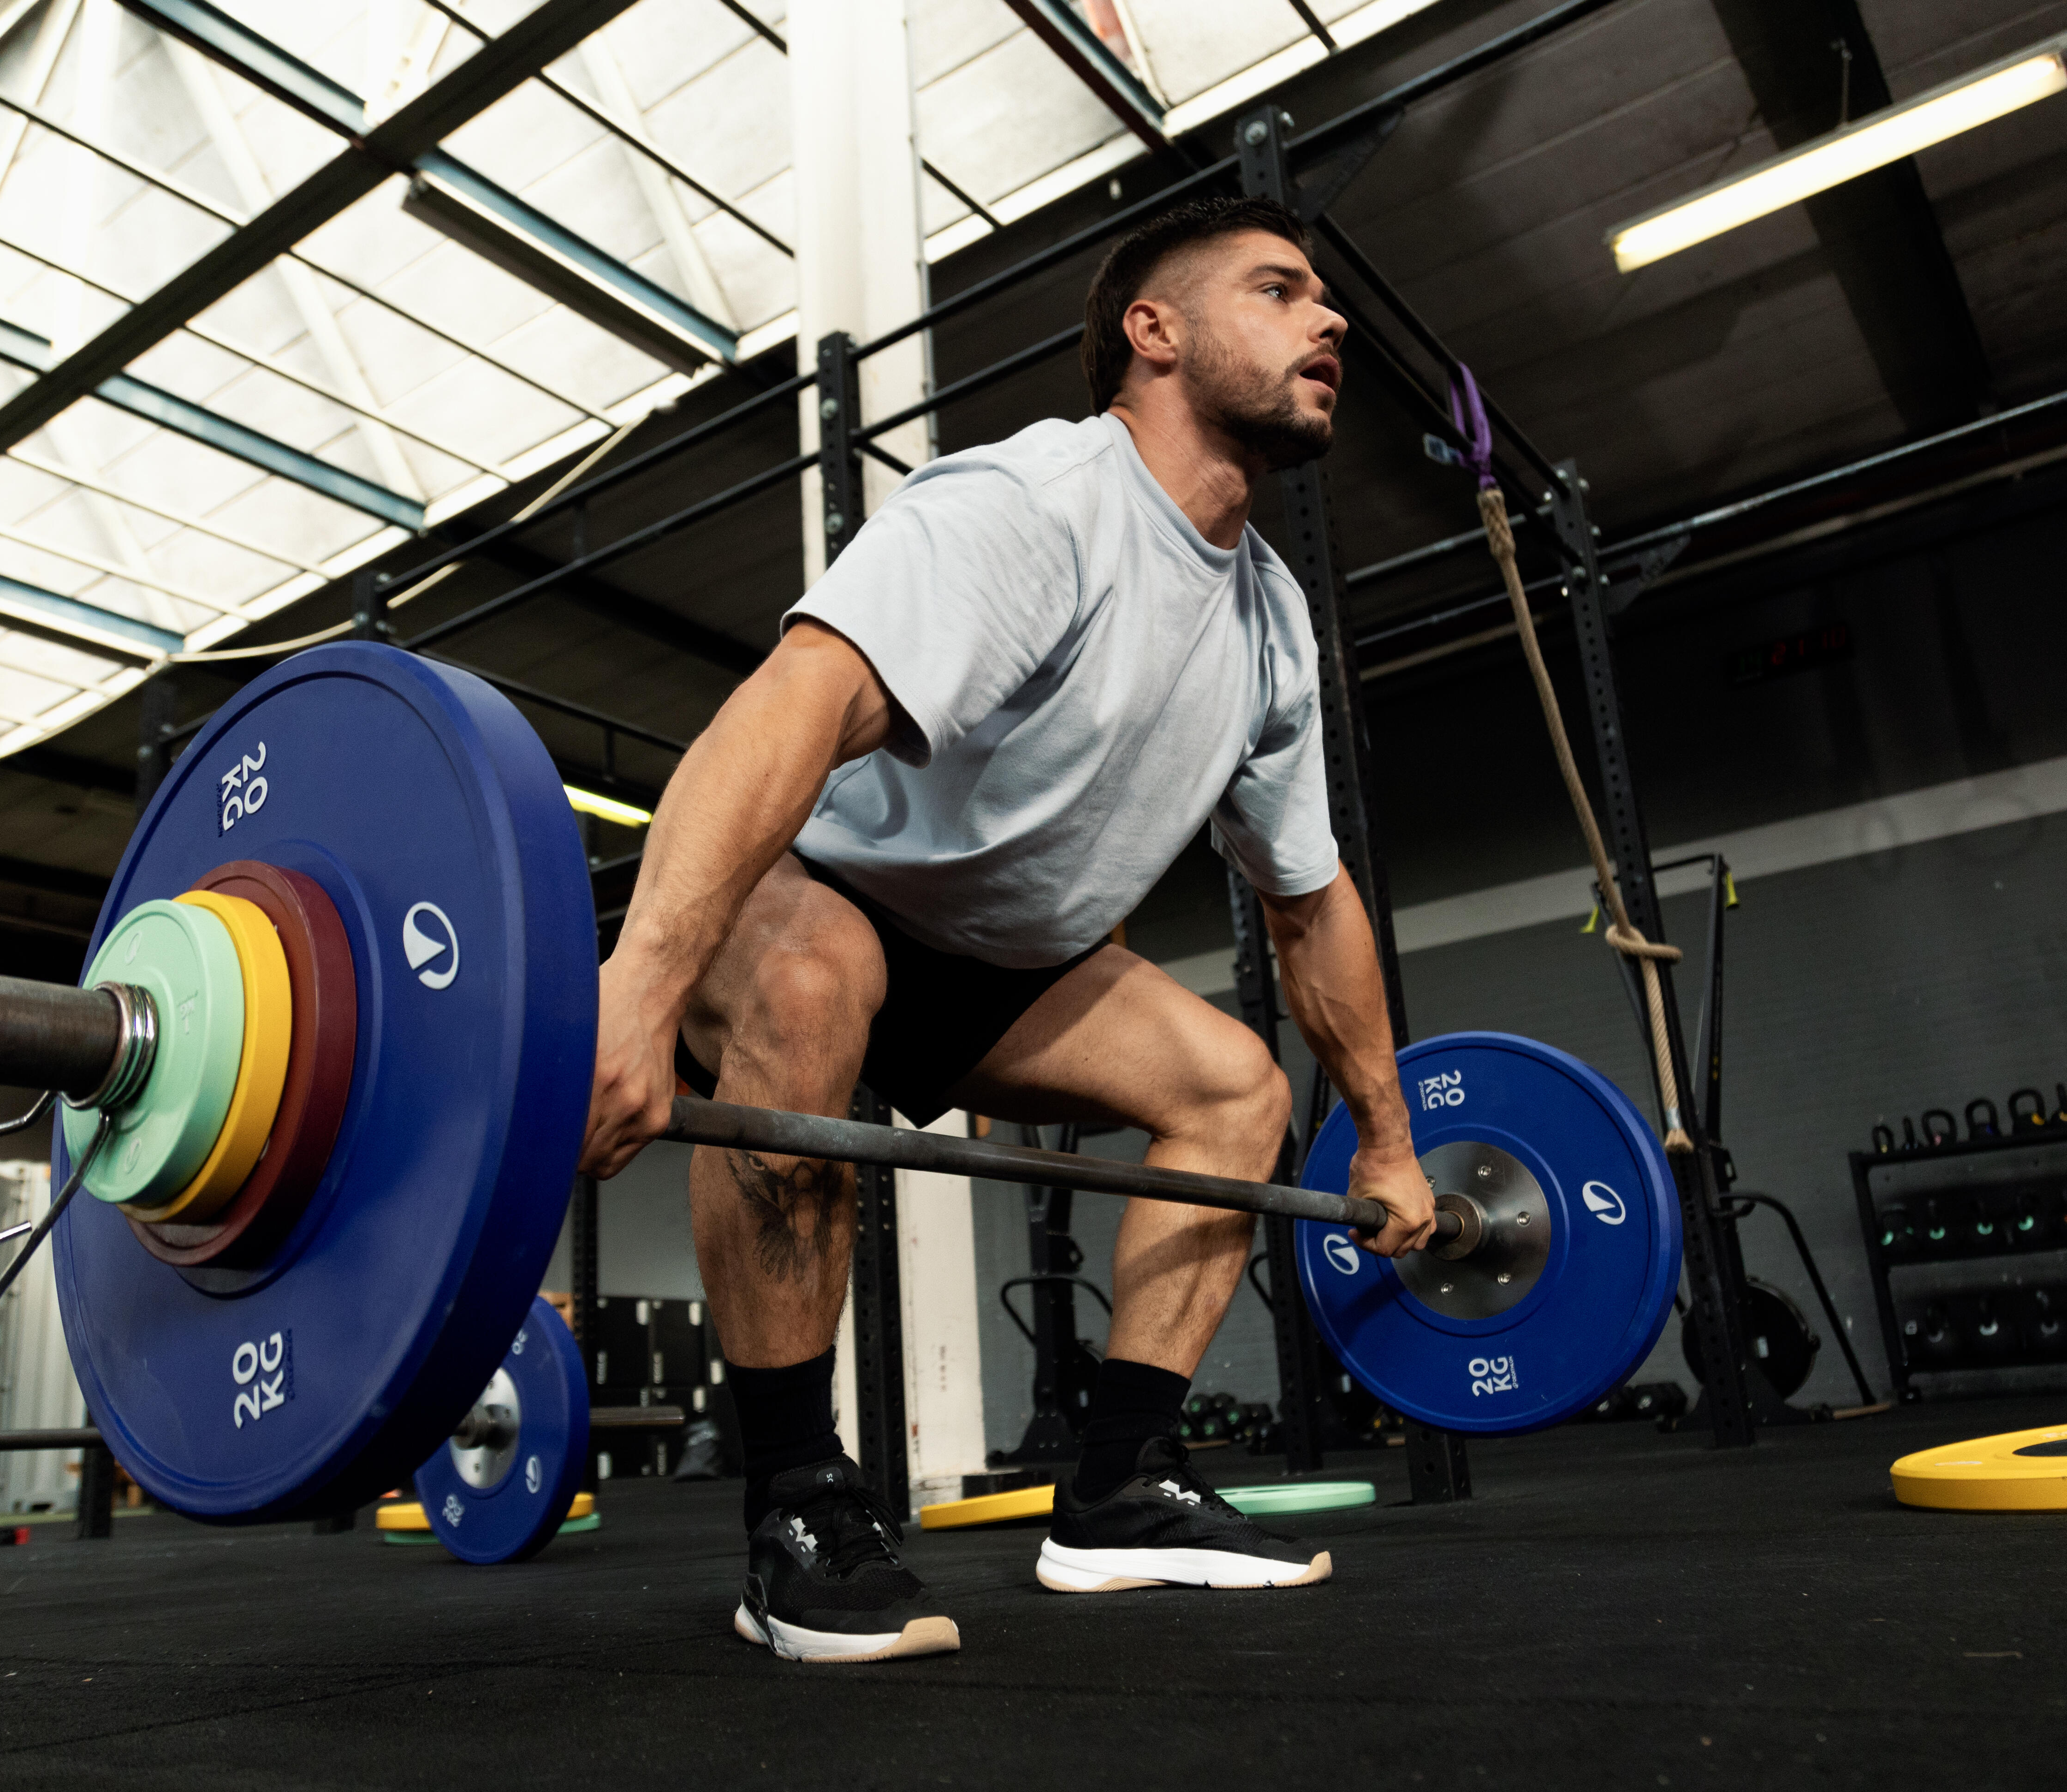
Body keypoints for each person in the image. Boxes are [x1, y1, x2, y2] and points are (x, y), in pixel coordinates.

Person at [580, 196, 1435, 1665]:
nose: (1332, 320)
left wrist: (1391, 1139)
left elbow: (1311, 900)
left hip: (1011, 961)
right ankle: (793, 1499)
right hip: (834, 896)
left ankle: (1118, 1491)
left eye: (1327, 299)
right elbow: (795, 705)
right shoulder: (1035, 507)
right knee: (804, 979)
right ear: (1153, 334)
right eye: (1281, 290)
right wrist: (638, 987)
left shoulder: (1271, 624)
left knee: (1235, 1093)